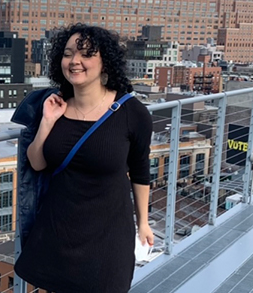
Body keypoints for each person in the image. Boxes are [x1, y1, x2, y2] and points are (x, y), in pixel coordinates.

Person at [14, 23, 153, 293]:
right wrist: (46, 123)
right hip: (58, 233)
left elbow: (140, 171)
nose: (75, 61)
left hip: (108, 237)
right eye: (68, 54)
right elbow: (37, 163)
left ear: (105, 62)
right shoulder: (54, 105)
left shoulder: (131, 113)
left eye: (86, 54)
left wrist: (144, 223)